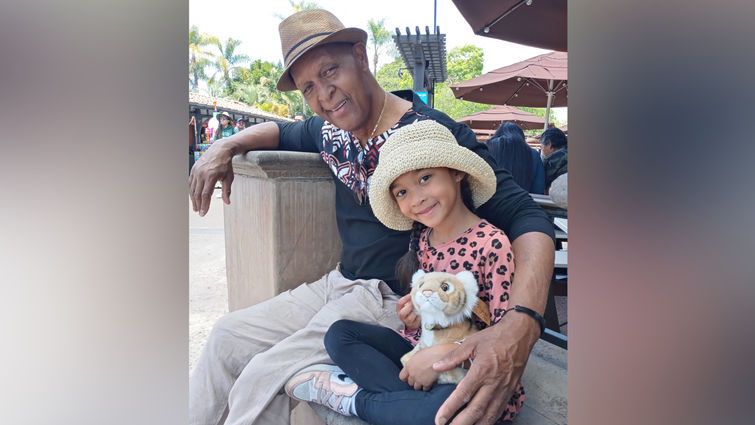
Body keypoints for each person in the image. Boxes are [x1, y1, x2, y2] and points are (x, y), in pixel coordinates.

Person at [188, 9, 555, 425]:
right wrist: (222, 148)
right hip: (335, 283)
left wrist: (522, 324)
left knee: (264, 374)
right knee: (225, 337)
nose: (324, 95)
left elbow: (524, 215)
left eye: (330, 72)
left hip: (388, 298)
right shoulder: (328, 130)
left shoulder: (432, 134)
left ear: (361, 57)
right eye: (309, 87)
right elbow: (280, 131)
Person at [285, 120, 526, 424]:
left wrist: (446, 354)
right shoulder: (424, 240)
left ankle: (357, 401)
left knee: (443, 408)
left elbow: (506, 334)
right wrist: (412, 314)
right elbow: (431, 310)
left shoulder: (493, 244)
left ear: (456, 171)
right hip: (419, 351)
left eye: (425, 178)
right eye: (401, 192)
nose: (416, 199)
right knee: (340, 334)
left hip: (468, 371)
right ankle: (406, 405)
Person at [486, 122, 545, 194]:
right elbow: (538, 188)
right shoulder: (533, 154)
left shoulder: (486, 149)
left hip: (487, 201)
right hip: (522, 203)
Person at [539, 127, 568, 193]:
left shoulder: (550, 160)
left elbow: (543, 188)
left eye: (542, 146)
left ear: (549, 144)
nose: (542, 150)